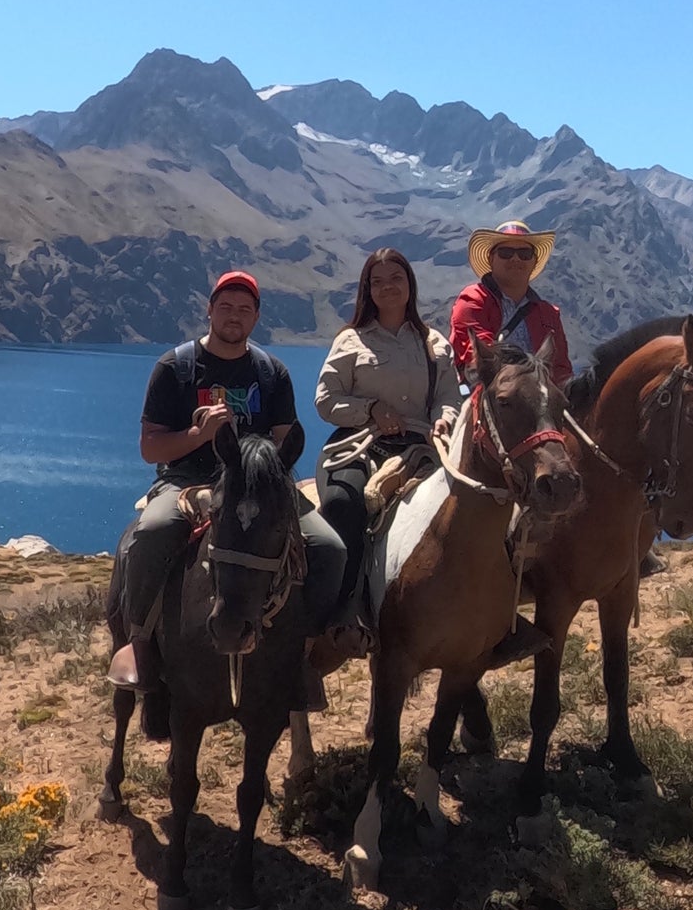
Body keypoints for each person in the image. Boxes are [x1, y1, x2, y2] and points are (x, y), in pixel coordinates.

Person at [115, 270, 345, 714]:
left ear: (256, 317)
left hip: (254, 488)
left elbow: (284, 440)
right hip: (186, 481)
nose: (234, 316)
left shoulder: (270, 372)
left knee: (329, 547)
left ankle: (304, 652)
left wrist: (264, 463)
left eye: (244, 309)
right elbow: (150, 449)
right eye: (226, 307)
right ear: (209, 310)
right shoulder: (175, 367)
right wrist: (199, 436)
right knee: (150, 533)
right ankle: (140, 645)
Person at [314, 248, 461, 636]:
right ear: (367, 290)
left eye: (395, 278)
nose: (387, 287)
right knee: (343, 504)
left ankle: (488, 611)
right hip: (359, 443)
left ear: (409, 284)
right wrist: (371, 409)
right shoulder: (351, 340)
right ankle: (341, 611)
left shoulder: (434, 344)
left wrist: (444, 420)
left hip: (419, 444)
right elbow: (326, 400)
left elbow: (449, 396)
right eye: (376, 281)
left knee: (470, 506)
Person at [450, 220, 573, 386]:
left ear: (534, 261)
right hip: (486, 395)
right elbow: (481, 356)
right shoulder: (473, 300)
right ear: (491, 258)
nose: (516, 259)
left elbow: (561, 369)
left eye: (524, 254)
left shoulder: (549, 314)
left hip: (541, 401)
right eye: (506, 252)